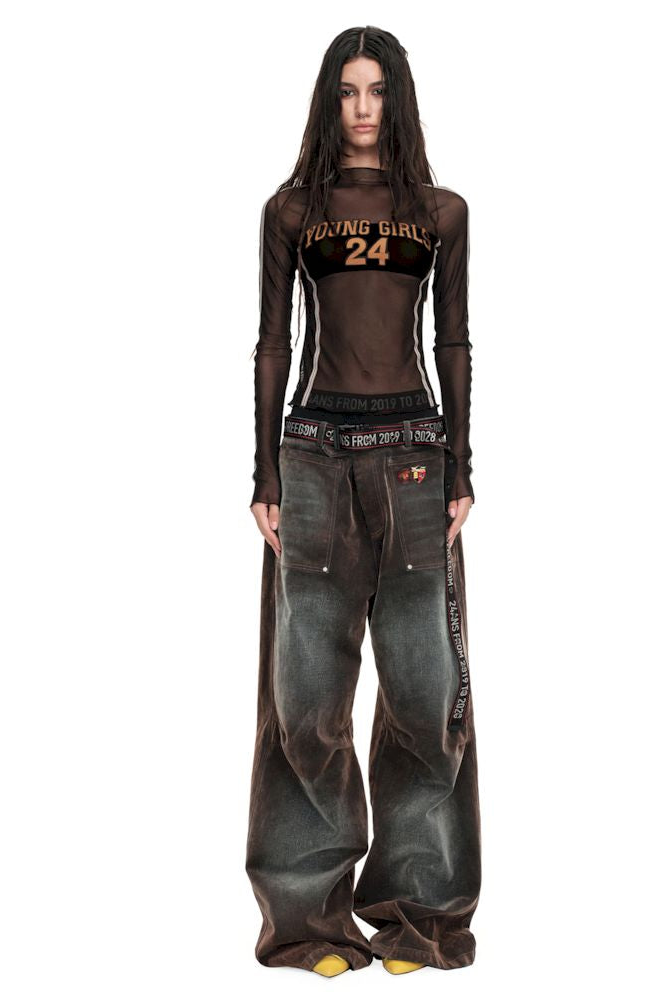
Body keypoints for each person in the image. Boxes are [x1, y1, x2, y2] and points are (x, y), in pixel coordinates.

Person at [244, 25, 481, 977]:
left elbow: (454, 341)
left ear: (398, 100)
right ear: (328, 100)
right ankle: (309, 922)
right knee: (304, 700)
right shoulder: (292, 211)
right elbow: (272, 342)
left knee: (427, 695)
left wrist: (461, 464)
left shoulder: (440, 212)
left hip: (415, 460)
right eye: (347, 92)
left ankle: (420, 913)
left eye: (377, 91)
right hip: (312, 457)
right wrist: (264, 472)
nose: (362, 109)